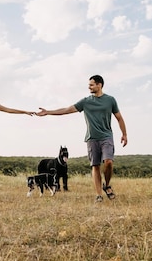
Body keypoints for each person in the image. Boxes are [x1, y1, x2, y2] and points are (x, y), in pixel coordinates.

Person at [37, 75, 127, 203]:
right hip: (92, 138)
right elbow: (67, 109)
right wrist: (48, 112)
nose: (89, 87)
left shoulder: (110, 100)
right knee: (95, 166)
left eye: (91, 84)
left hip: (107, 136)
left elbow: (119, 118)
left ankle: (107, 185)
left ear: (99, 85)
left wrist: (124, 134)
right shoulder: (85, 101)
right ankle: (98, 194)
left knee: (108, 162)